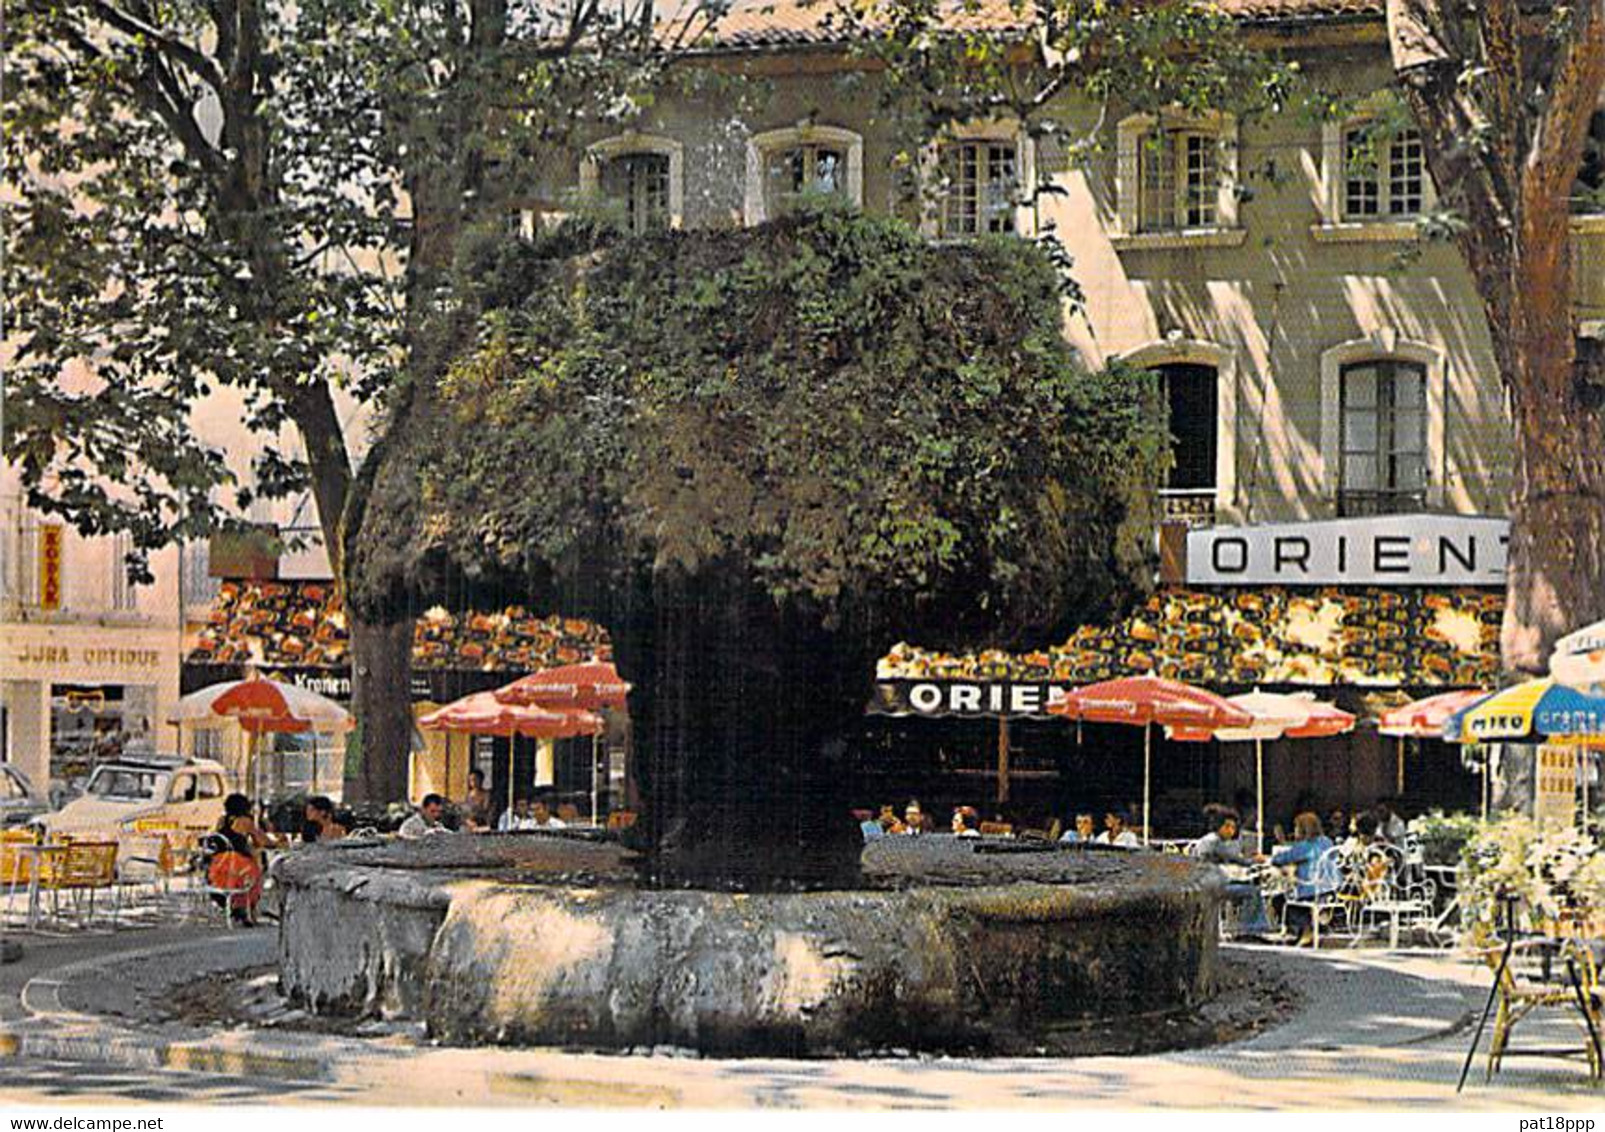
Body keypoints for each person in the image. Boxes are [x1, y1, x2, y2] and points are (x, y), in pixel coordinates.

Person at [1271, 811, 1337, 946]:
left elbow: (1280, 859)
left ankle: (1305, 929)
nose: (1294, 830)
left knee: (1279, 900)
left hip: (1311, 890)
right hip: (1331, 888)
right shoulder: (1327, 841)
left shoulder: (1305, 846)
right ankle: (1313, 928)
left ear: (1302, 829)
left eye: (1296, 827)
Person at [209, 793, 267, 925]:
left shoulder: (222, 821)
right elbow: (262, 840)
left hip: (218, 865)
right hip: (238, 865)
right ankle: (246, 908)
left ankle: (237, 907)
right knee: (257, 870)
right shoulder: (245, 821)